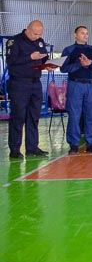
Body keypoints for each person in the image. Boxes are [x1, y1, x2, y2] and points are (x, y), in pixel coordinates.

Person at [6, 20, 52, 159]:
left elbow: (44, 58)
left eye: (39, 34)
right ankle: (15, 149)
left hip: (35, 83)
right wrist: (29, 57)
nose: (36, 36)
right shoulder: (14, 41)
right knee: (18, 116)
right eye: (34, 33)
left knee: (34, 116)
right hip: (19, 83)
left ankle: (32, 147)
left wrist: (48, 64)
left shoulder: (40, 41)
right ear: (28, 29)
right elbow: (11, 61)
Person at [60, 25, 92, 154]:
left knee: (91, 115)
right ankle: (74, 144)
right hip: (75, 85)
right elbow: (63, 69)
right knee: (74, 115)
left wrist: (90, 63)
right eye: (82, 33)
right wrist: (79, 64)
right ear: (75, 35)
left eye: (87, 33)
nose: (85, 35)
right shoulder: (69, 50)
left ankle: (91, 144)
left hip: (91, 86)